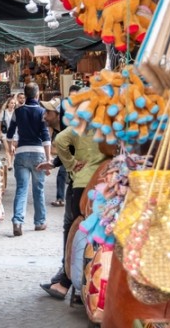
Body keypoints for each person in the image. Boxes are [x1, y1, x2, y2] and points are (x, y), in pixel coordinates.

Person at [36, 112, 112, 302]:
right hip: (103, 183)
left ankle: (68, 282)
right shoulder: (107, 126)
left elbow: (60, 139)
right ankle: (76, 284)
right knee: (95, 237)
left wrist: (70, 165)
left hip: (81, 184)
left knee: (76, 233)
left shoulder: (81, 126)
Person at [6, 83, 51, 236]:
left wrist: (11, 146)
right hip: (38, 154)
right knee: (38, 189)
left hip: (22, 154)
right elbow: (45, 136)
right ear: (37, 95)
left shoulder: (18, 111)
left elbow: (9, 133)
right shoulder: (42, 112)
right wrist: (49, 159)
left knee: (21, 189)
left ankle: (17, 222)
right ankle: (39, 222)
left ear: (25, 95)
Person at [52, 84, 82, 207]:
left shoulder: (83, 109)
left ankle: (69, 198)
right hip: (68, 143)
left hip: (79, 147)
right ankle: (60, 198)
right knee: (63, 172)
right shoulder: (64, 105)